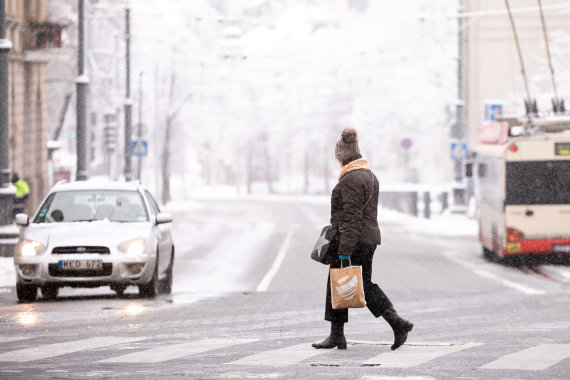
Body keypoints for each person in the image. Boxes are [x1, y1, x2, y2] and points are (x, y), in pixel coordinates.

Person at [312, 128, 414, 351]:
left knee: (354, 284)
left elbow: (352, 217)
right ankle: (337, 335)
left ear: (343, 156)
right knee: (345, 282)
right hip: (366, 239)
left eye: (338, 157)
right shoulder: (369, 175)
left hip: (353, 241)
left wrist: (345, 248)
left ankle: (397, 323)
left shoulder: (351, 179)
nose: (337, 161)